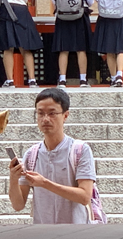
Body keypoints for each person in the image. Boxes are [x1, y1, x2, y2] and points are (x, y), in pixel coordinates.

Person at [8, 89, 97, 224]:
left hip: (76, 233)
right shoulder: (32, 154)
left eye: (52, 113)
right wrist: (13, 179)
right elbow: (18, 205)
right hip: (43, 233)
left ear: (65, 115)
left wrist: (45, 184)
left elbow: (85, 196)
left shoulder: (80, 150)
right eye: (40, 113)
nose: (45, 119)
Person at [51, 0, 95, 89]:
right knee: (81, 49)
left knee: (63, 48)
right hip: (79, 17)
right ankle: (82, 80)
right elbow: (91, 1)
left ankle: (62, 80)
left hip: (62, 17)